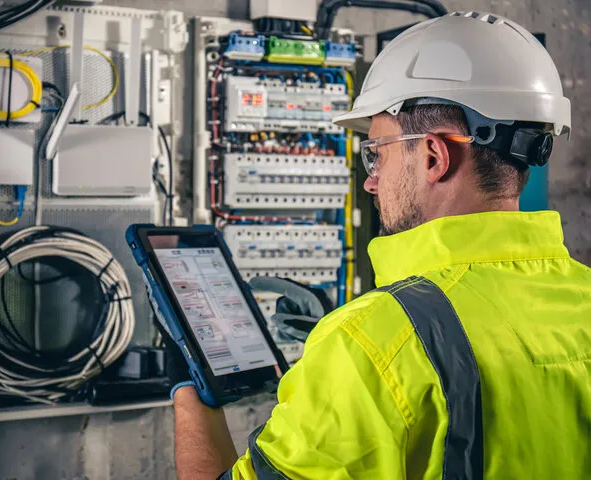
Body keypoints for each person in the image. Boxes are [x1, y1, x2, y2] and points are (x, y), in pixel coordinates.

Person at [168, 11, 591, 479]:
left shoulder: (367, 344)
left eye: (378, 154)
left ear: (433, 156)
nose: (372, 183)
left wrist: (188, 380)